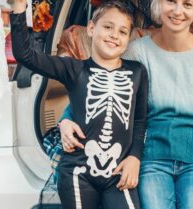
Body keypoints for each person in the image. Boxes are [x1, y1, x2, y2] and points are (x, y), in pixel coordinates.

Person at [59, 0, 193, 208]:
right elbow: (99, 92)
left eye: (187, 4)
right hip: (152, 158)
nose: (178, 11)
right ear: (158, 4)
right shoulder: (136, 53)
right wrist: (65, 120)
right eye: (171, 2)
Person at [11, 1, 148, 209]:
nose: (114, 35)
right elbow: (25, 55)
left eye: (122, 31)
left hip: (118, 172)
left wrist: (135, 158)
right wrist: (19, 9)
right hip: (77, 171)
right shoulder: (74, 69)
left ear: (128, 39)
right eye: (108, 27)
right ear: (91, 28)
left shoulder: (137, 72)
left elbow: (139, 120)